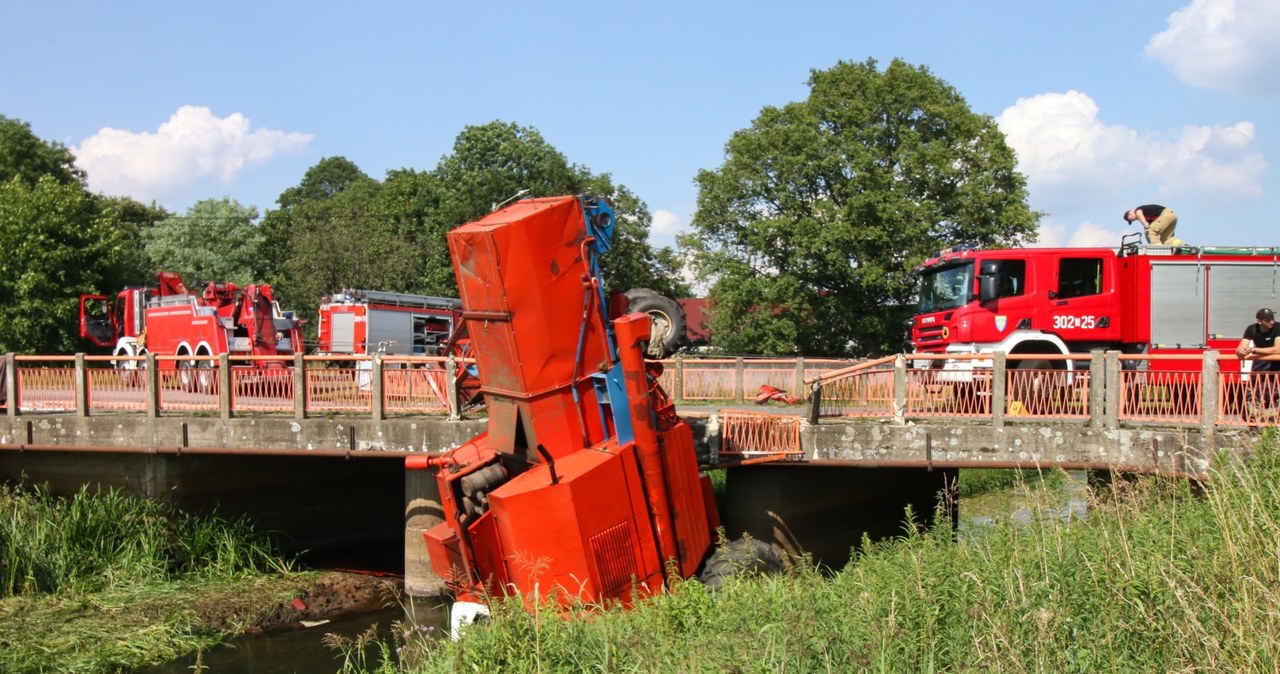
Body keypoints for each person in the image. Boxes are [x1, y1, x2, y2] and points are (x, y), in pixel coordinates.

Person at [1237, 308, 1280, 413]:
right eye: (1268, 320)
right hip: (1259, 366)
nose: (1271, 322)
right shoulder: (1252, 329)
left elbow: (1277, 349)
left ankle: (1274, 422)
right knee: (1256, 395)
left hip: (1277, 366)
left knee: (1274, 394)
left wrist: (1254, 350)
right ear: (1259, 321)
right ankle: (1254, 423)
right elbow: (1241, 347)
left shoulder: (1278, 327)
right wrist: (1241, 351)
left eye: (1272, 318)